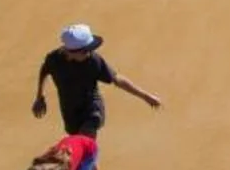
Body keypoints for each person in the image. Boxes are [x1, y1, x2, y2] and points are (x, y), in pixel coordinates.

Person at [32, 23, 163, 134]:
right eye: (86, 50)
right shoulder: (54, 59)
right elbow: (44, 70)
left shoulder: (94, 61)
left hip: (92, 110)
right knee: (83, 154)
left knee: (84, 143)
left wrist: (146, 96)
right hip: (70, 112)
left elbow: (117, 79)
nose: (89, 53)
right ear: (72, 52)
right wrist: (40, 97)